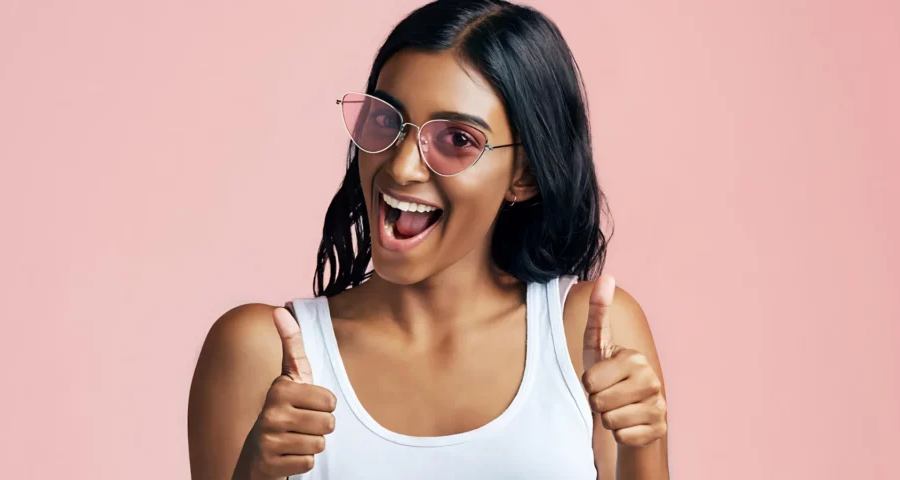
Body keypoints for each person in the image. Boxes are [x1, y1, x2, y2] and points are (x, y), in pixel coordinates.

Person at [188, 1, 669, 478]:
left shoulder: (588, 337)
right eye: (385, 121)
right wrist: (253, 473)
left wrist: (642, 447)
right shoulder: (259, 352)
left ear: (524, 175)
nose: (400, 167)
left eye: (458, 139)